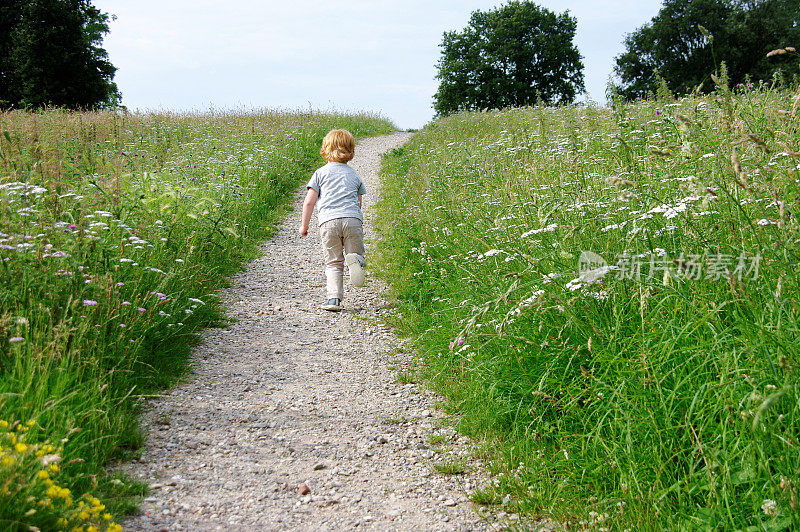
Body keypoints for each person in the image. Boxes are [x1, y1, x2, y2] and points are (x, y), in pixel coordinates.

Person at [298, 129, 366, 312]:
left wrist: (304, 226)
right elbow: (358, 203)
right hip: (352, 219)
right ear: (351, 150)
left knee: (333, 262)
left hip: (328, 222)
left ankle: (333, 299)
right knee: (355, 254)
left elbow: (309, 202)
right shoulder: (354, 175)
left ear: (325, 148)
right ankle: (356, 260)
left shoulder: (320, 174)